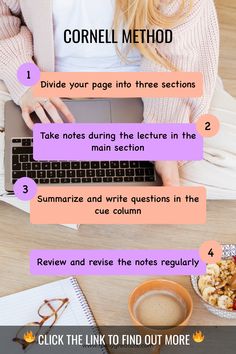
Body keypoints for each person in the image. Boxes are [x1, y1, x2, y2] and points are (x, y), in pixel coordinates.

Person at [0, 0, 235, 200]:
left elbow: (181, 52)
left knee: (227, 165)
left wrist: (164, 133)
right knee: (15, 162)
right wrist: (23, 77)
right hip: (42, 79)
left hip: (150, 90)